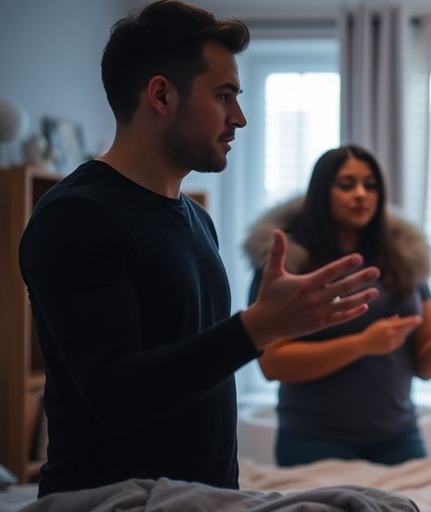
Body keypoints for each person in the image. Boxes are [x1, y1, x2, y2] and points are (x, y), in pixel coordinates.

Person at [19, 1, 380, 497]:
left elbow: (196, 374)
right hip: (117, 502)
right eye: (224, 95)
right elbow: (114, 396)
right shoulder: (77, 218)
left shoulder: (197, 219)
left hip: (203, 499)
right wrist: (257, 328)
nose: (240, 117)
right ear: (162, 95)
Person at [244, 145, 431, 466]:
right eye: (346, 185)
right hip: (313, 441)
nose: (362, 194)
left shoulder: (404, 260)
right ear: (321, 193)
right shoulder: (286, 264)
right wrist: (362, 344)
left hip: (399, 438)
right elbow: (273, 364)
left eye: (371, 185)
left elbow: (425, 367)